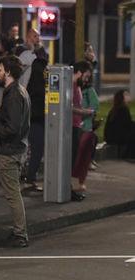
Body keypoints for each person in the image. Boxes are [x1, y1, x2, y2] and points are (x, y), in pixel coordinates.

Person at [0, 55, 30, 248]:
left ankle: (20, 234)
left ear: (8, 71)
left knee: (13, 194)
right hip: (17, 148)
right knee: (14, 193)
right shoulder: (20, 91)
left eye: (0, 69)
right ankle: (19, 231)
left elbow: (12, 127)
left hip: (10, 151)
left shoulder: (12, 95)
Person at [70, 61, 94, 201]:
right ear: (78, 73)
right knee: (71, 158)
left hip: (77, 125)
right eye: (85, 76)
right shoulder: (71, 86)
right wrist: (85, 112)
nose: (86, 79)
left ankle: (70, 187)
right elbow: (69, 106)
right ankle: (68, 187)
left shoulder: (77, 86)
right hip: (72, 125)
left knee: (75, 157)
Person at [23, 57, 48, 190]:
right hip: (37, 122)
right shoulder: (40, 86)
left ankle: (29, 177)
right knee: (37, 151)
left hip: (31, 121)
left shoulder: (32, 84)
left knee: (33, 151)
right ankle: (30, 178)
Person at [105, 90, 135, 158]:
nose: (128, 96)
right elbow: (128, 125)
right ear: (122, 97)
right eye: (126, 95)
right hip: (117, 137)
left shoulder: (114, 109)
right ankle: (129, 155)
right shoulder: (124, 109)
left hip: (110, 137)